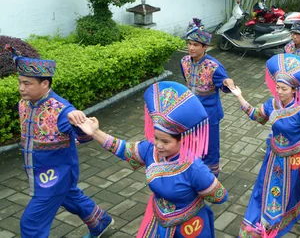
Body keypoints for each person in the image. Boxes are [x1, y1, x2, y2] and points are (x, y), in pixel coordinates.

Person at [77, 81, 228, 238]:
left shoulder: (194, 168)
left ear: (182, 140)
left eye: (166, 141)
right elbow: (123, 149)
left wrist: (201, 189)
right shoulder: (151, 150)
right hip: (158, 219)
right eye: (156, 138)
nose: (158, 145)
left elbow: (220, 196)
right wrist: (95, 132)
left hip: (188, 227)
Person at [3, 45, 113, 238]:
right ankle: (101, 222)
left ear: (44, 84)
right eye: (20, 82)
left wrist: (79, 122)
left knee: (31, 223)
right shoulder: (24, 104)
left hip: (54, 177)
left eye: (27, 83)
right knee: (71, 198)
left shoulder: (61, 110)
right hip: (39, 171)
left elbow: (84, 135)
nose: (21, 88)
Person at [230, 54, 300, 237]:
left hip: (293, 157)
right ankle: (268, 219)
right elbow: (257, 116)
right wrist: (239, 97)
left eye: (284, 89)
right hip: (273, 155)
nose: (279, 92)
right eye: (278, 87)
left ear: (294, 91)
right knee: (267, 186)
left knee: (289, 186)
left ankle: (277, 219)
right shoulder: (272, 104)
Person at [180, 18, 234, 177]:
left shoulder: (214, 66)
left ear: (205, 47)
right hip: (190, 112)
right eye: (189, 43)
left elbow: (224, 86)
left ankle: (211, 178)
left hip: (210, 114)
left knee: (210, 146)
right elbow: (188, 81)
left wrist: (227, 82)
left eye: (196, 45)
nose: (191, 48)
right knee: (191, 143)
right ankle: (194, 172)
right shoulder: (184, 62)